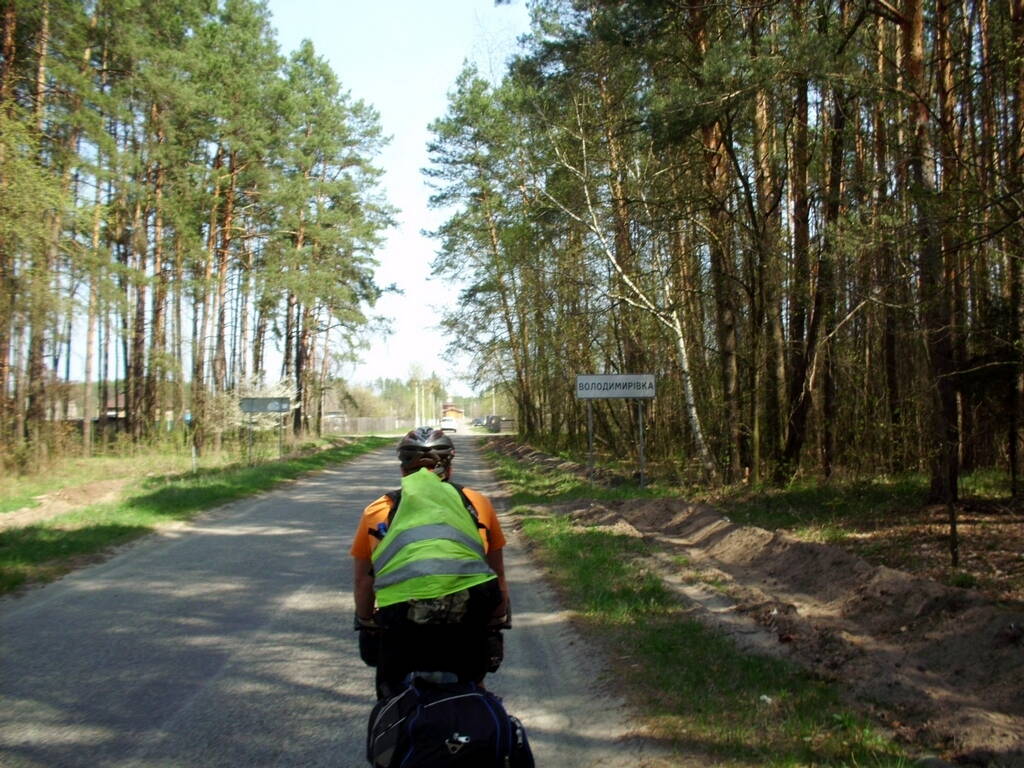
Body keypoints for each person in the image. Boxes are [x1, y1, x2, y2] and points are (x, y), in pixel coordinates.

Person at [351, 426, 510, 699]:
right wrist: (498, 616)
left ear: (403, 469)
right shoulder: (477, 504)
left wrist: (366, 620)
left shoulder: (378, 510)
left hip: (401, 617)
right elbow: (496, 572)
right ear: (449, 467)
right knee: (473, 686)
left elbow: (364, 581)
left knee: (392, 697)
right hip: (468, 612)